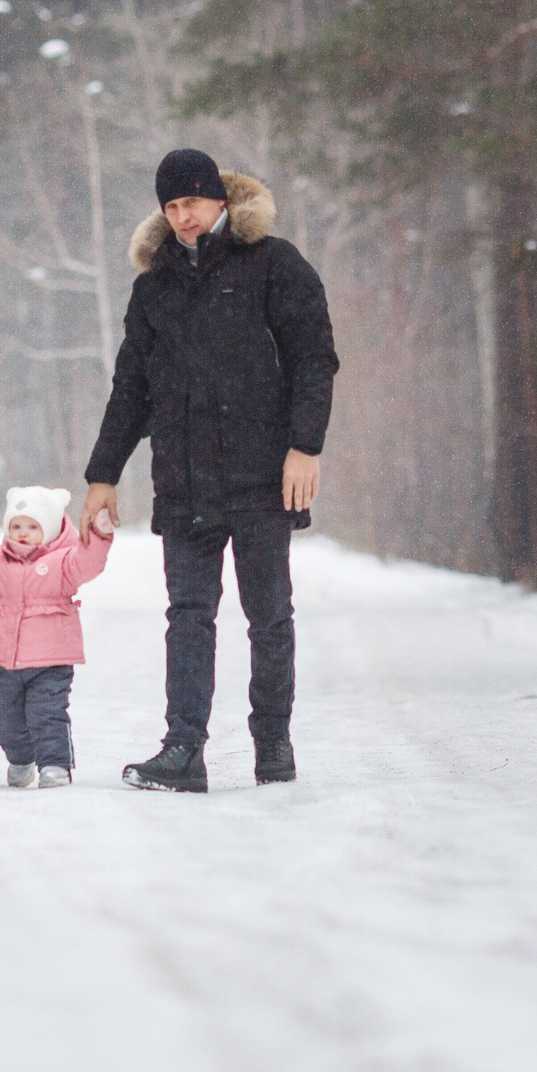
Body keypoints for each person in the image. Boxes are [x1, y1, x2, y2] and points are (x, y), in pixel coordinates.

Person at [81, 149, 339, 793]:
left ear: (219, 199)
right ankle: (183, 750)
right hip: (186, 477)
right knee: (188, 615)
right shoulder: (154, 288)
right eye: (170, 207)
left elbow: (314, 358)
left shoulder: (273, 264)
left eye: (191, 202)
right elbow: (130, 389)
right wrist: (103, 473)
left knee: (269, 614)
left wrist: (305, 447)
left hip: (261, 476)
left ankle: (272, 742)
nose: (182, 217)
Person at [0, 485, 116, 789]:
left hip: (52, 661)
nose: (23, 533)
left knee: (46, 715)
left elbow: (90, 563)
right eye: (16, 525)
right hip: (5, 662)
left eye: (33, 526)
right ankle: (21, 757)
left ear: (51, 528)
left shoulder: (65, 562)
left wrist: (99, 535)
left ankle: (55, 766)